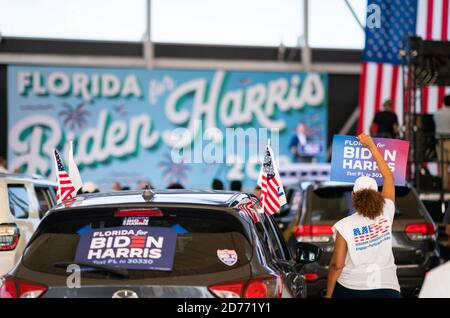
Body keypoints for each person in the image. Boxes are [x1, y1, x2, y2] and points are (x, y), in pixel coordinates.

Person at [325, 133, 400, 298]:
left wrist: (329, 295)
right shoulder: (386, 212)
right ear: (378, 195)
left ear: (353, 196)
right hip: (388, 288)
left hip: (351, 289)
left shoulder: (344, 225)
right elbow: (388, 177)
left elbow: (337, 265)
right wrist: (371, 146)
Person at [434, 95, 450, 189]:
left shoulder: (437, 113)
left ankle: (445, 187)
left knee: (443, 167)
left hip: (440, 142)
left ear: (443, 102)